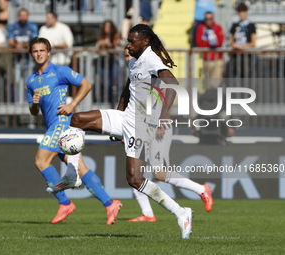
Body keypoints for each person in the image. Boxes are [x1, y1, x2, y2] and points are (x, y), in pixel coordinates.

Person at [49, 24, 209, 239]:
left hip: (141, 125)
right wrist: (116, 118)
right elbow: (128, 88)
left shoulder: (151, 59)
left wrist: (164, 114)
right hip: (125, 118)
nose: (128, 44)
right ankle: (71, 174)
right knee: (75, 120)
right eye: (128, 40)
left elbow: (172, 83)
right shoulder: (134, 61)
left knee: (134, 180)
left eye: (132, 41)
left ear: (144, 42)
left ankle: (181, 212)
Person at [27, 37, 122, 225]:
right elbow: (33, 111)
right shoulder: (31, 81)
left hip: (62, 123)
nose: (38, 54)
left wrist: (72, 104)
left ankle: (65, 203)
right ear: (31, 54)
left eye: (42, 50)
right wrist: (34, 105)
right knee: (80, 168)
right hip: (52, 125)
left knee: (41, 160)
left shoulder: (59, 71)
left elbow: (86, 84)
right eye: (35, 51)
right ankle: (110, 204)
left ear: (48, 52)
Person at [121, 49, 213, 222]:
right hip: (141, 126)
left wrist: (162, 119)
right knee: (134, 170)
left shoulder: (151, 69)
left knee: (159, 173)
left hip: (157, 125)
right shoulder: (135, 71)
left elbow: (166, 92)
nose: (128, 58)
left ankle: (201, 189)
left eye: (130, 55)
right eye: (126, 56)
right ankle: (147, 213)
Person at [7, 8, 38, 102]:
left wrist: (23, 44)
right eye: (21, 15)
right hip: (17, 59)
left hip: (29, 59)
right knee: (16, 81)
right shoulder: (13, 27)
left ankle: (27, 102)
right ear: (18, 16)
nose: (23, 17)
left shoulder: (32, 27)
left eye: (25, 15)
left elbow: (34, 41)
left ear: (28, 16)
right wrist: (16, 45)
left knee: (28, 82)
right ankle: (17, 102)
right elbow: (10, 41)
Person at [195, 11, 224, 89]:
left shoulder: (218, 27)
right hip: (206, 59)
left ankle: (214, 99)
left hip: (217, 59)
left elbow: (219, 42)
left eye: (210, 18)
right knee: (207, 82)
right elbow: (199, 43)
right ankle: (208, 98)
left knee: (216, 83)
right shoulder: (201, 28)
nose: (209, 20)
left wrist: (207, 43)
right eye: (207, 19)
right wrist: (210, 43)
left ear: (213, 19)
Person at [227, 2, 256, 78]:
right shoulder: (235, 25)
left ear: (246, 13)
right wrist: (234, 45)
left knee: (246, 75)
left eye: (243, 12)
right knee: (234, 74)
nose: (241, 14)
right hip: (235, 55)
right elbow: (231, 40)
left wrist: (241, 47)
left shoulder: (251, 26)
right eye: (240, 12)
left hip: (246, 55)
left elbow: (253, 43)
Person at [96, 20, 121, 106]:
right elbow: (97, 48)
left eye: (109, 27)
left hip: (113, 62)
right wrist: (103, 44)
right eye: (106, 26)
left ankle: (115, 102)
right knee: (105, 83)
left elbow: (117, 48)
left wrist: (110, 44)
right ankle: (107, 102)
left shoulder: (116, 37)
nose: (108, 29)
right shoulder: (101, 37)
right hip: (104, 62)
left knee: (115, 83)